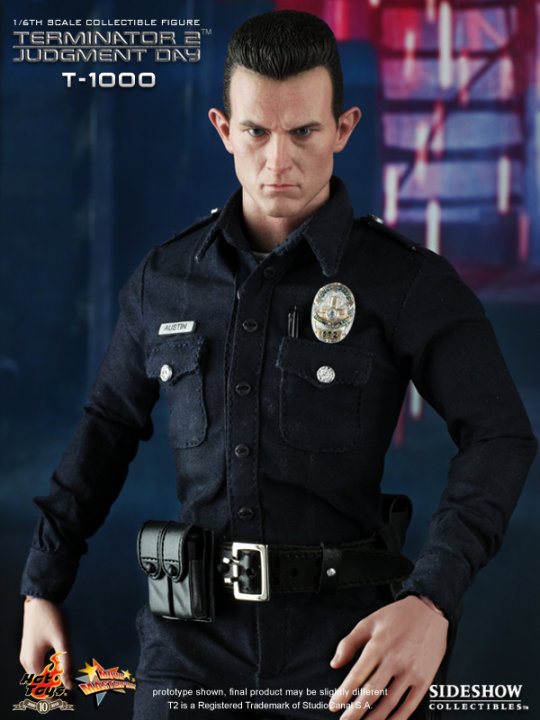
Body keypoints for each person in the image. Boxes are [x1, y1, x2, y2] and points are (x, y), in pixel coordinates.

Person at [19, 10, 536, 720]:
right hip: (188, 652)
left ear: (344, 129)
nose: (278, 161)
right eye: (257, 132)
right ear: (223, 129)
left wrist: (432, 600)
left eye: (304, 132)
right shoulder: (164, 280)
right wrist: (42, 583)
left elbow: (500, 434)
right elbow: (107, 429)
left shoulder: (406, 283)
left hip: (347, 651)